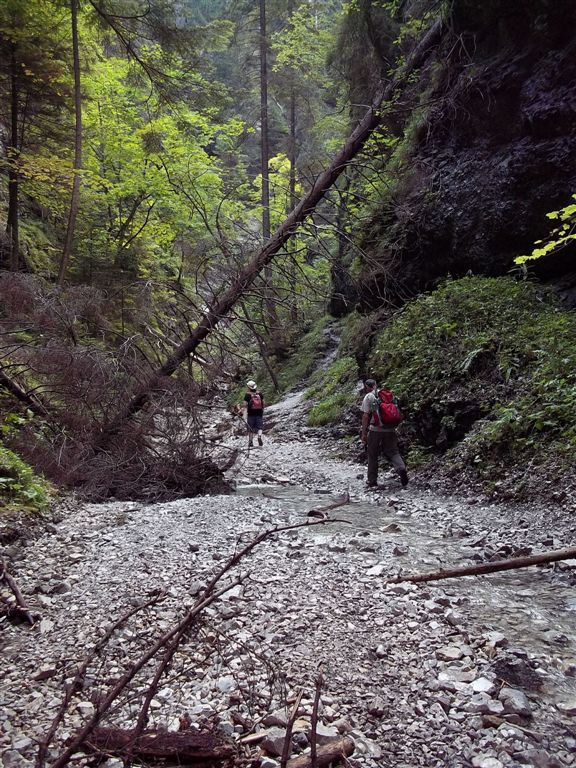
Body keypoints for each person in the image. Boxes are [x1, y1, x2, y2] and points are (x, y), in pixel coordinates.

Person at [360, 379, 408, 489]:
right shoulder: (387, 395)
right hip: (390, 429)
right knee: (393, 452)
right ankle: (401, 468)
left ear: (367, 387)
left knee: (372, 454)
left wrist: (363, 433)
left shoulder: (369, 396)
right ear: (376, 385)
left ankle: (372, 481)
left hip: (375, 429)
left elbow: (365, 416)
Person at [242, 380, 264, 448]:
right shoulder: (259, 393)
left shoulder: (247, 395)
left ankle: (251, 442)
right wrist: (262, 410)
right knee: (260, 427)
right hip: (259, 412)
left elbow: (245, 405)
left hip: (251, 413)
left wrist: (244, 414)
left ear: (249, 387)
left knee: (250, 428)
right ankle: (259, 436)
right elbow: (263, 403)